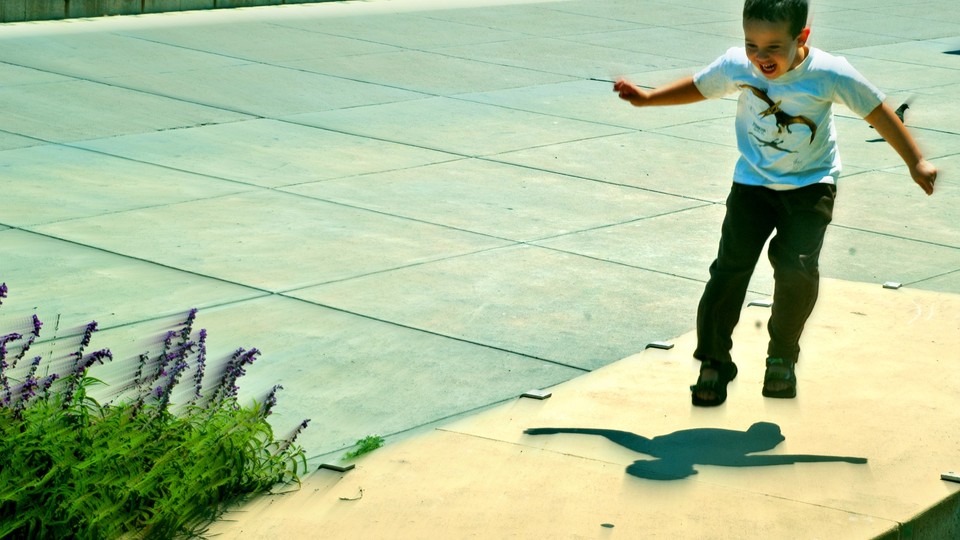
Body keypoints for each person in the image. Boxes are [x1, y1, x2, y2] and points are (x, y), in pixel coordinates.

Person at [613, 0, 937, 406]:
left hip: (810, 185)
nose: (760, 57)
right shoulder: (738, 66)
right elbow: (699, 86)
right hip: (752, 185)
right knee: (729, 271)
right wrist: (648, 99)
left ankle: (782, 354)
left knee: (796, 269)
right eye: (751, 44)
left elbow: (877, 112)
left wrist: (916, 161)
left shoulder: (828, 72)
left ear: (802, 38)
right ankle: (714, 361)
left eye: (772, 47)